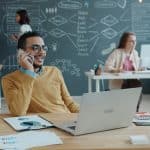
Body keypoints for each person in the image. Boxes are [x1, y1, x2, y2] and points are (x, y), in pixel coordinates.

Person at [2, 31, 79, 116]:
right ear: (22, 52)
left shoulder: (55, 71)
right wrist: (29, 72)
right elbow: (18, 112)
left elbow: (70, 103)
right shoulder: (9, 80)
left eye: (43, 48)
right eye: (35, 48)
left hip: (66, 120)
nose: (42, 52)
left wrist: (87, 114)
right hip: (42, 126)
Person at [104, 32, 142, 111]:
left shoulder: (135, 53)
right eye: (131, 41)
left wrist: (140, 69)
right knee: (133, 88)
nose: (134, 43)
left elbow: (136, 68)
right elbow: (107, 67)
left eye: (135, 41)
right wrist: (117, 70)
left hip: (133, 82)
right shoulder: (116, 52)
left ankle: (134, 112)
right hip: (120, 82)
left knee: (137, 87)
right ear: (125, 42)